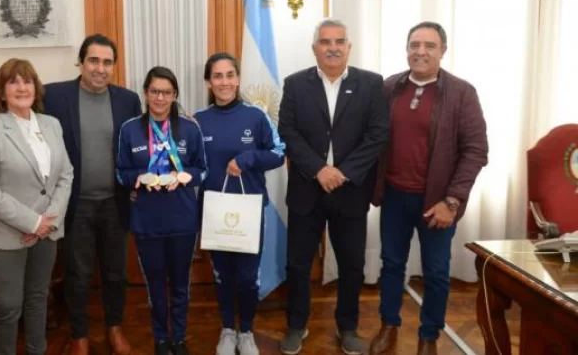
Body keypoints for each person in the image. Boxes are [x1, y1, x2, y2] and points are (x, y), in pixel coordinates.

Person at [0, 35, 141, 355]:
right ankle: (79, 335)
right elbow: (17, 113)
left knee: (116, 272)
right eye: (93, 60)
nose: (100, 68)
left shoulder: (128, 100)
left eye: (107, 62)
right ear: (81, 62)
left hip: (114, 203)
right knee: (77, 273)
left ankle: (114, 328)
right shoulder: (56, 95)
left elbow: (140, 139)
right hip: (73, 205)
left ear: (113, 67)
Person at [369, 21, 488, 355]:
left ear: (443, 51)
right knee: (391, 265)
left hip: (437, 202)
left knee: (436, 273)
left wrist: (452, 201)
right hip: (394, 195)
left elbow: (476, 150)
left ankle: (428, 336)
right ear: (406, 49)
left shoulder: (462, 93)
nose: (420, 52)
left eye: (429, 46)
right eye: (414, 44)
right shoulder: (389, 87)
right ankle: (388, 326)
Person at [277, 18, 390, 355]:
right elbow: (288, 132)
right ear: (315, 48)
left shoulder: (371, 84)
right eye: (325, 42)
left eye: (339, 41)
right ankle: (297, 325)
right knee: (298, 263)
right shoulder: (295, 84)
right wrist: (318, 170)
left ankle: (348, 327)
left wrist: (342, 171)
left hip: (350, 190)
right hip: (306, 190)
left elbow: (378, 134)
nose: (333, 47)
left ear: (349, 47)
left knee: (352, 264)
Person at [0, 58, 73, 355]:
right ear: (1, 93)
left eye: (27, 81)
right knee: (7, 306)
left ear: (36, 88)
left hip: (47, 232)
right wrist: (32, 222)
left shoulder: (52, 125)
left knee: (38, 297)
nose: (21, 87)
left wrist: (48, 223)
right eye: (13, 82)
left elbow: (66, 175)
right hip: (6, 235)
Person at [194, 52, 286, 355]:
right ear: (209, 81)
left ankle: (246, 331)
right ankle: (227, 330)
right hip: (214, 211)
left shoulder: (255, 116)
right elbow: (190, 166)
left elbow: (278, 153)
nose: (224, 82)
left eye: (229, 75)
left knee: (247, 277)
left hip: (249, 211)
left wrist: (248, 158)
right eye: (217, 76)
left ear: (238, 79)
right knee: (222, 275)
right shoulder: (198, 121)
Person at [116, 66, 207, 355]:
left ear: (175, 95)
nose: (160, 97)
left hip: (183, 219)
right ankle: (160, 338)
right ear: (145, 93)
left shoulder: (190, 128)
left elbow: (202, 169)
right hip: (146, 220)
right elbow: (120, 171)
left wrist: (187, 177)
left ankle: (178, 337)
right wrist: (137, 178)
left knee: (180, 283)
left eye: (166, 92)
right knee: (155, 285)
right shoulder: (130, 129)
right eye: (154, 91)